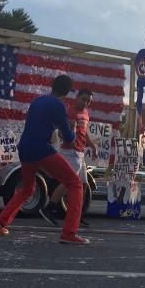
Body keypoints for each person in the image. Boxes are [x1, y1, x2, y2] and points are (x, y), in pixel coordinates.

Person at [0, 74, 88, 244]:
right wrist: (71, 129)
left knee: (28, 189)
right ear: (67, 92)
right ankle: (70, 233)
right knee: (75, 184)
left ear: (53, 86)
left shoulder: (38, 100)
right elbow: (69, 138)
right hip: (41, 149)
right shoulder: (59, 106)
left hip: (25, 148)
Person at [39, 88, 96, 229]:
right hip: (70, 151)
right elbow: (60, 132)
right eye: (83, 99)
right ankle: (49, 208)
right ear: (76, 97)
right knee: (69, 182)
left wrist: (93, 146)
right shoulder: (70, 112)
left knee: (82, 185)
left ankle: (77, 214)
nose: (85, 103)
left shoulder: (85, 113)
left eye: (88, 101)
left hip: (80, 153)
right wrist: (68, 137)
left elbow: (84, 132)